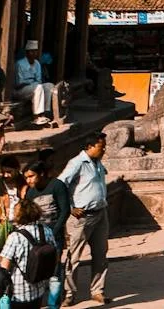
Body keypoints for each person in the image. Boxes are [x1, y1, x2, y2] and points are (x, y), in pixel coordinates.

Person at [59, 131, 110, 305]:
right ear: (90, 146)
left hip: (100, 213)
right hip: (82, 218)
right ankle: (69, 294)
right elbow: (61, 185)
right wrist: (70, 208)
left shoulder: (97, 162)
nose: (104, 150)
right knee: (74, 257)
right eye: (101, 147)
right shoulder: (77, 163)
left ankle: (97, 290)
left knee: (101, 255)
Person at [0, 198, 57, 309]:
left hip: (19, 293)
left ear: (19, 215)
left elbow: (4, 268)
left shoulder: (15, 237)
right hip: (39, 290)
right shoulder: (47, 231)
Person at [14, 41, 55, 127]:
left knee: (49, 86)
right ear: (27, 53)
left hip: (35, 86)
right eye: (31, 51)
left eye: (35, 51)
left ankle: (45, 113)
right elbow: (19, 83)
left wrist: (35, 84)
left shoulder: (37, 63)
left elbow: (39, 80)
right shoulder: (19, 64)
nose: (34, 53)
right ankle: (36, 116)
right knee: (38, 87)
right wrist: (33, 84)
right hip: (21, 90)